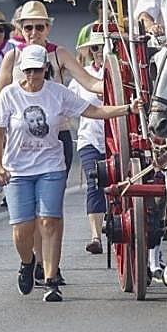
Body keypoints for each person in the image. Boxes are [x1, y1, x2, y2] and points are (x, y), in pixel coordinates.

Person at [0, 44, 141, 301]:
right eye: (27, 70)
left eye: (37, 70)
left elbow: (92, 111)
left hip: (51, 165)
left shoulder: (57, 93)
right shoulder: (9, 95)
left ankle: (51, 280)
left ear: (45, 69)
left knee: (50, 221)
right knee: (22, 228)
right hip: (17, 168)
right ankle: (27, 263)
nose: (32, 76)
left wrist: (127, 109)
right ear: (21, 70)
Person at [0, 0, 102, 285]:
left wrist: (117, 84)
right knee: (26, 216)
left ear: (48, 28)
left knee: (50, 207)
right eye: (27, 27)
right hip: (19, 140)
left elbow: (89, 82)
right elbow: (0, 98)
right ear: (19, 28)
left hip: (56, 137)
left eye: (39, 27)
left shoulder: (58, 55)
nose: (33, 32)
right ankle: (34, 261)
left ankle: (50, 266)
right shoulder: (13, 57)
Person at [71, 32, 110, 255]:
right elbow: (65, 104)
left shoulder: (121, 73)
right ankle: (95, 236)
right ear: (89, 52)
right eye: (94, 48)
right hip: (90, 139)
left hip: (116, 139)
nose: (99, 52)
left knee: (120, 185)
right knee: (95, 184)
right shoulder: (81, 79)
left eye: (103, 47)